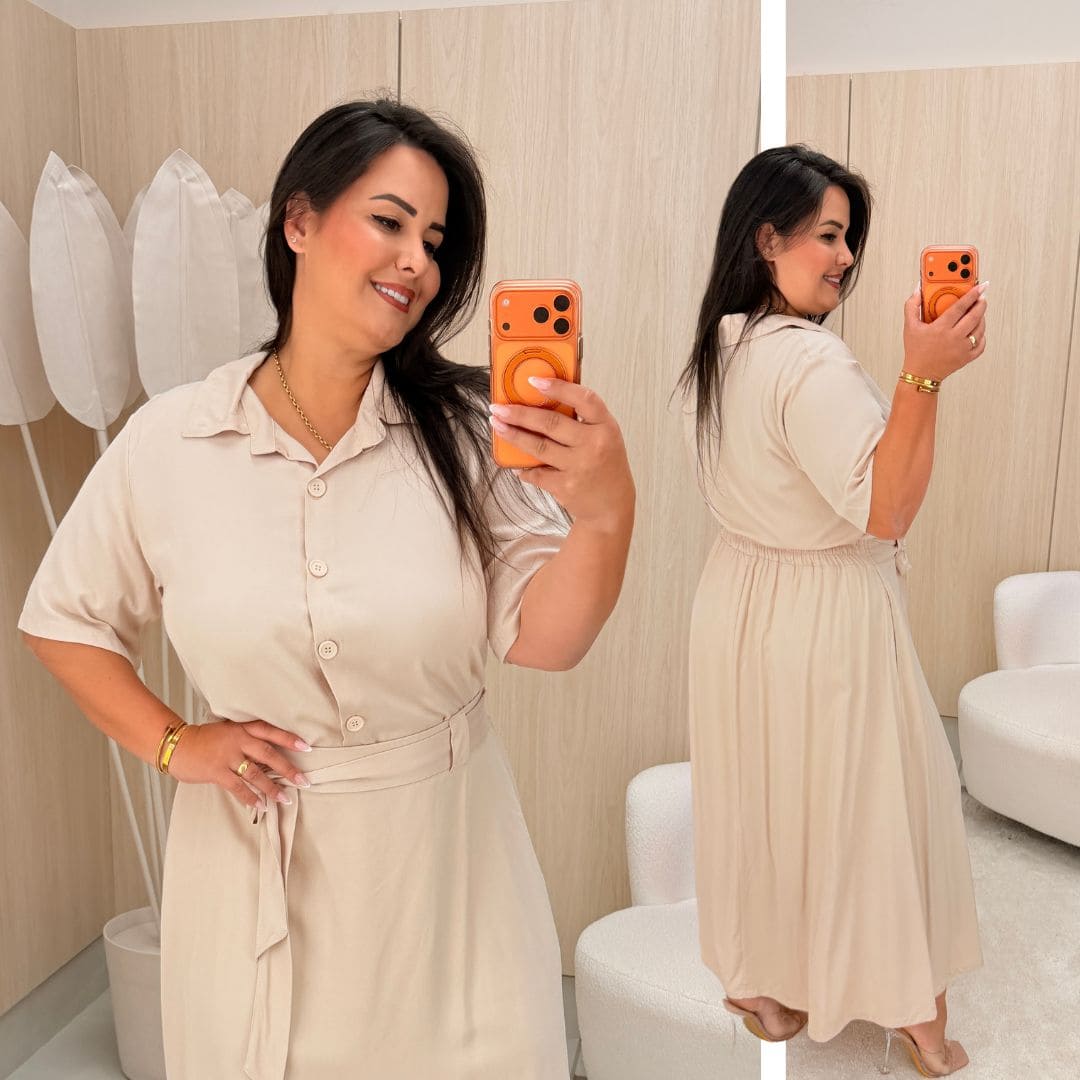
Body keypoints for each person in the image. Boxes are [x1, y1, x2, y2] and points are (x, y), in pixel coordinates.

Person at [19, 99, 635, 1079]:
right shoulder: (171, 441)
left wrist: (605, 512)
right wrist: (176, 744)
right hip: (252, 870)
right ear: (298, 222)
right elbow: (64, 621)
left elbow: (548, 640)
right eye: (389, 221)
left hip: (445, 870)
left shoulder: (467, 435)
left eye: (435, 242)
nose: (416, 261)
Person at [678, 144, 983, 1076]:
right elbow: (885, 509)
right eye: (828, 235)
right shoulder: (811, 361)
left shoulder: (721, 344)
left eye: (850, 238)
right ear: (766, 239)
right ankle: (919, 1019)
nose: (846, 257)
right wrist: (923, 377)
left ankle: (767, 984)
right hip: (824, 611)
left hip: (738, 601)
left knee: (766, 797)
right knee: (872, 801)